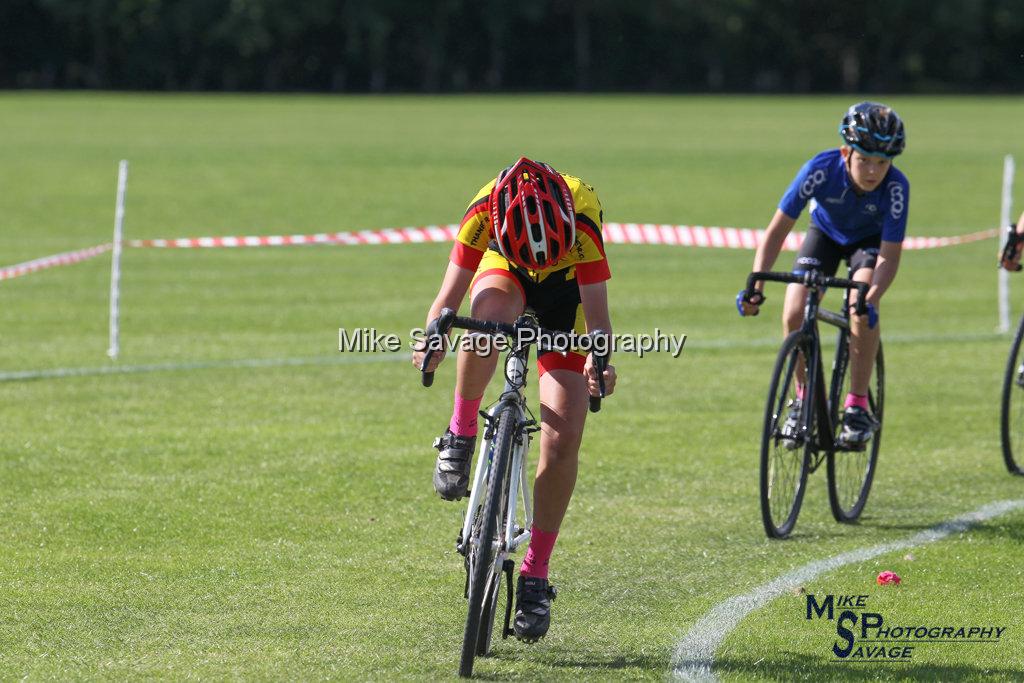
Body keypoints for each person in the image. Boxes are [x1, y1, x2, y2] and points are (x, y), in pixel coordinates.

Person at [412, 157, 616, 642]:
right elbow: (447, 301)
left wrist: (600, 364)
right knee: (485, 319)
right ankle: (460, 433)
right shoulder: (483, 211)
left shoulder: (583, 217)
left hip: (566, 298)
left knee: (563, 437)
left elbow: (599, 318)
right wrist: (432, 340)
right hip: (506, 274)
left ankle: (535, 574)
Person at [738, 101, 908, 447]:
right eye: (864, 160)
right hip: (826, 235)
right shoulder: (820, 169)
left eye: (883, 162)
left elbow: (888, 259)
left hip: (869, 244)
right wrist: (756, 280)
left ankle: (857, 405)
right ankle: (803, 399)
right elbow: (776, 232)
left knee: (858, 306)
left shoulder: (895, 188)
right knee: (794, 311)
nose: (874, 171)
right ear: (846, 152)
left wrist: (872, 298)